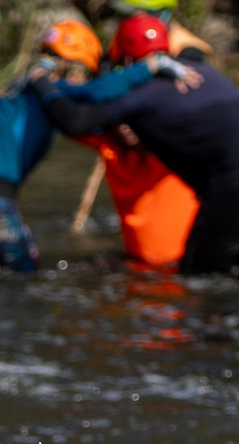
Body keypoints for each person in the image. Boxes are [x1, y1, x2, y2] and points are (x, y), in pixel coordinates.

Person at [34, 13, 239, 277]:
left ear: (126, 60)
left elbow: (74, 121)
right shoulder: (202, 72)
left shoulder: (138, 91)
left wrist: (40, 81)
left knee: (199, 280)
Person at [0, 18, 187, 275]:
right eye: (85, 73)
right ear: (71, 67)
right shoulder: (47, 87)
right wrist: (152, 66)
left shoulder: (18, 91)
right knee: (22, 278)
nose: (83, 79)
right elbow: (96, 92)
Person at [79, 15, 200, 269]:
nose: (128, 125)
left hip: (182, 268)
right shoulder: (110, 145)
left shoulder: (179, 139)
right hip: (143, 271)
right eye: (122, 115)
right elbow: (68, 112)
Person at [111, 0, 213, 61]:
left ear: (159, 13)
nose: (123, 21)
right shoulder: (122, 44)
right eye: (121, 15)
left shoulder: (187, 52)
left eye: (130, 14)